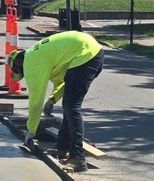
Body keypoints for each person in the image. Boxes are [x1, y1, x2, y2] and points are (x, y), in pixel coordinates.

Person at [11, 29, 105, 172]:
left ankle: (78, 158)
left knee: (72, 105)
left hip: (85, 55)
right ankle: (62, 148)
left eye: (19, 72)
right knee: (68, 103)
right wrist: (53, 99)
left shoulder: (30, 62)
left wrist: (31, 131)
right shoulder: (41, 55)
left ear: (18, 64)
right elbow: (64, 82)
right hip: (91, 52)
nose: (23, 75)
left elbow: (35, 100)